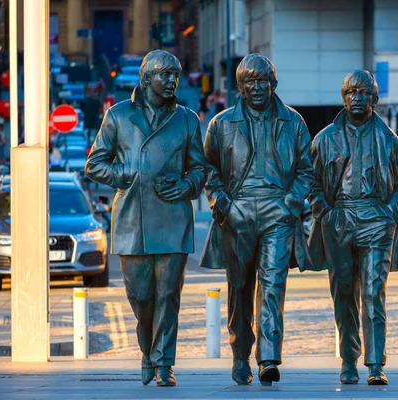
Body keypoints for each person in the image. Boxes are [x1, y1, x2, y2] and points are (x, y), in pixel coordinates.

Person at [85, 50, 207, 387]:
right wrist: (125, 172)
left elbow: (200, 169)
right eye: (165, 75)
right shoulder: (119, 116)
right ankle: (147, 350)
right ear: (146, 79)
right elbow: (94, 164)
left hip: (173, 218)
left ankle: (164, 362)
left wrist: (186, 185)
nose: (172, 81)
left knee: (169, 295)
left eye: (175, 75)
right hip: (132, 219)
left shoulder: (187, 119)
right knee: (141, 296)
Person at [200, 53, 313, 386]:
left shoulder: (293, 122)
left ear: (273, 83)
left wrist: (290, 202)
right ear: (241, 87)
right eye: (250, 82)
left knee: (273, 284)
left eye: (263, 81)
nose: (258, 87)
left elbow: (307, 170)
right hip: (237, 213)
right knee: (239, 288)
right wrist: (223, 204)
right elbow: (208, 168)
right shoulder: (221, 124)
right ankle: (240, 354)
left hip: (278, 213)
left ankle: (268, 357)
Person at [308, 70, 398, 385]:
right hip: (339, 222)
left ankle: (376, 362)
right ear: (343, 98)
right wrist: (325, 213)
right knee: (343, 295)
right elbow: (311, 185)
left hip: (375, 223)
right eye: (350, 92)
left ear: (374, 99)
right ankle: (349, 359)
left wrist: (388, 215)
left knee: (372, 293)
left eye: (363, 92)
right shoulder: (325, 139)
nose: (356, 98)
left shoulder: (387, 139)